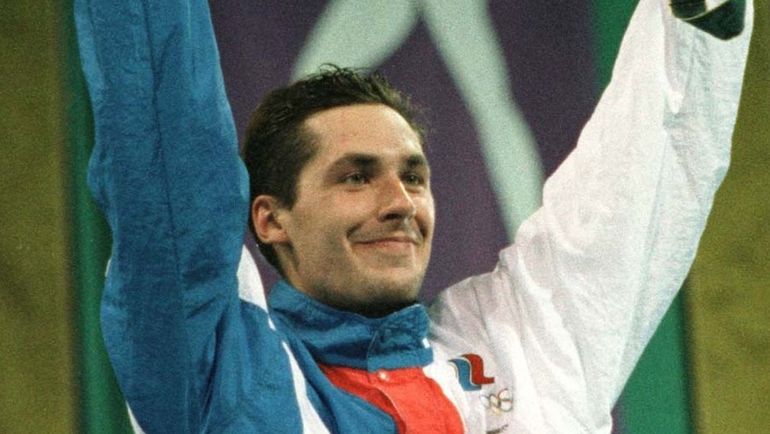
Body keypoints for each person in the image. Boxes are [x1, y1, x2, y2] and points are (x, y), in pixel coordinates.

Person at [74, 0, 753, 432]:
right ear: (271, 219)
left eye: (414, 176)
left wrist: (695, 24)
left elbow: (635, 185)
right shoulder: (226, 374)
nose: (399, 202)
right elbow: (167, 172)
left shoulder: (520, 350)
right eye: (355, 176)